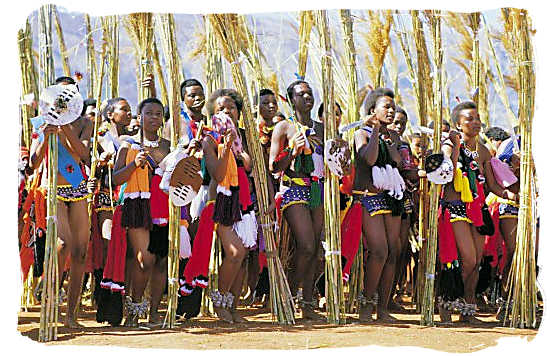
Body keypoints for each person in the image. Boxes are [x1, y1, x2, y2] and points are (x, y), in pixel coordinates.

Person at [437, 101, 513, 324]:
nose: (476, 122)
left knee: (476, 261)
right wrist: (455, 147)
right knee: (466, 259)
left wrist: (513, 195)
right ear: (458, 124)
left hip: (478, 210)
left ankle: (467, 310)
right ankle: (447, 302)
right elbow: (447, 176)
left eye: (477, 118)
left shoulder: (483, 151)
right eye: (469, 119)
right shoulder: (448, 146)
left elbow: (492, 185)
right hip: (455, 209)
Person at [29, 86, 93, 328]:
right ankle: (49, 291)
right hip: (53, 190)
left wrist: (65, 126)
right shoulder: (41, 122)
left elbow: (84, 153)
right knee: (62, 244)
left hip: (77, 190)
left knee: (80, 253)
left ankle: (71, 315)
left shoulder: (84, 123)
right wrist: (46, 134)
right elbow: (34, 163)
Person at [112, 98, 171, 326]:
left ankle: (154, 312)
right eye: (149, 113)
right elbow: (116, 178)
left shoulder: (168, 146)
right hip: (137, 207)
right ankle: (134, 309)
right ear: (140, 117)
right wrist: (135, 163)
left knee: (160, 261)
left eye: (158, 113)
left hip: (163, 207)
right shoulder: (128, 144)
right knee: (145, 258)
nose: (154, 117)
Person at [269, 80, 324, 320]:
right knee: (306, 245)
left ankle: (308, 303)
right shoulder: (283, 127)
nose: (307, 97)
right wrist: (293, 151)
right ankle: (289, 296)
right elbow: (273, 166)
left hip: (318, 191)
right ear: (291, 100)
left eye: (310, 93)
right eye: (301, 94)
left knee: (316, 252)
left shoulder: (322, 129)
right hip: (293, 189)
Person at [352, 88, 403, 322]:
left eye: (393, 107)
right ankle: (366, 303)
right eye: (386, 107)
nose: (391, 111)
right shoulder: (361, 133)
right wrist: (374, 129)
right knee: (379, 250)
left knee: (392, 252)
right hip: (367, 197)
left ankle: (382, 308)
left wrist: (391, 139)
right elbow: (369, 158)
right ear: (373, 111)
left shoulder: (390, 135)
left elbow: (397, 161)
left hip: (390, 199)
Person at [388, 106, 419, 310]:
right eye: (396, 122)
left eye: (403, 123)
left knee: (399, 250)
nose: (399, 126)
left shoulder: (405, 146)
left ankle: (389, 295)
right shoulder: (380, 141)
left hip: (403, 201)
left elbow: (409, 172)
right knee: (386, 249)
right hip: (381, 199)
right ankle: (372, 296)